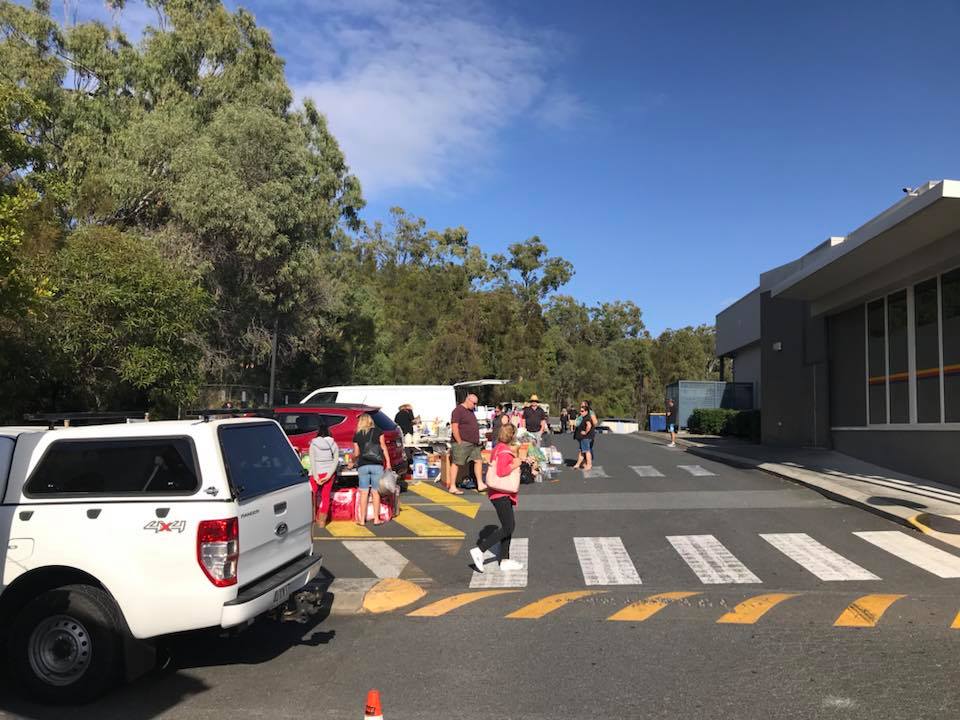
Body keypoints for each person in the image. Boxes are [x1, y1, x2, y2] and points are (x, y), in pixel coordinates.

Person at [469, 422, 525, 573]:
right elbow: (501, 471)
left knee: (508, 526)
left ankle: (505, 559)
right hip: (501, 493)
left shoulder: (497, 448)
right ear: (512, 436)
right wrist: (516, 463)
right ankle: (480, 550)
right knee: (508, 526)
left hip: (497, 493)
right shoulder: (505, 451)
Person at [351, 413, 390, 526]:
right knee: (375, 492)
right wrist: (388, 462)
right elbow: (383, 447)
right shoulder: (378, 431)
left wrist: (351, 461)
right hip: (377, 465)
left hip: (363, 466)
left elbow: (357, 453)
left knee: (364, 493)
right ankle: (376, 519)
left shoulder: (357, 435)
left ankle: (362, 520)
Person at [451, 393, 484, 494]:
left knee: (478, 460)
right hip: (463, 442)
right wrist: (459, 441)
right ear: (468, 400)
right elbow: (454, 427)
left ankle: (480, 483)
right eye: (474, 403)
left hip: (473, 443)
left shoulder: (471, 411)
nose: (475, 406)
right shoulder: (458, 410)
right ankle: (452, 486)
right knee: (457, 463)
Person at [309, 423, 339, 528]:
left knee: (311, 496)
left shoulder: (313, 444)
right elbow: (335, 461)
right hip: (328, 474)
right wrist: (329, 475)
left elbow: (312, 461)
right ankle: (322, 521)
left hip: (315, 474)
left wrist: (316, 476)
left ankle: (311, 518)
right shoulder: (333, 444)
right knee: (325, 497)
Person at [573, 406, 594, 470]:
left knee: (586, 451)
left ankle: (589, 465)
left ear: (586, 411)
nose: (581, 412)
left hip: (586, 437)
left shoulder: (587, 418)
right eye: (580, 411)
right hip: (584, 437)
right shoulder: (584, 417)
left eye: (582, 411)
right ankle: (578, 464)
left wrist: (585, 432)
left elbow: (589, 425)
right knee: (582, 451)